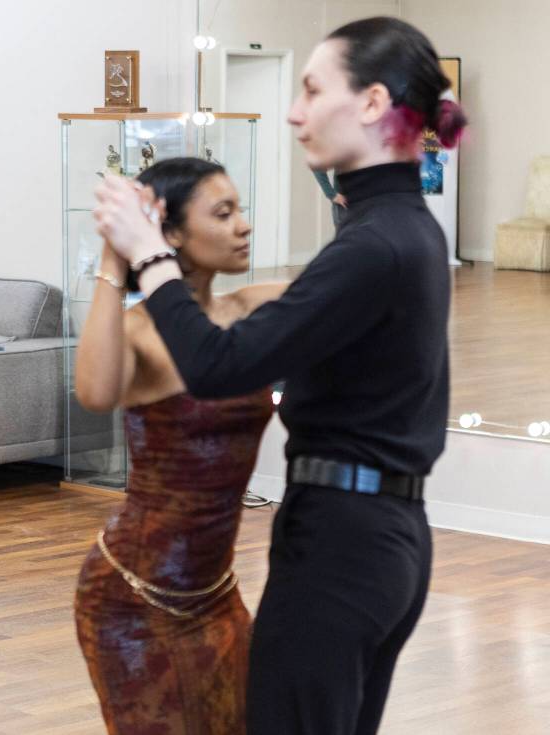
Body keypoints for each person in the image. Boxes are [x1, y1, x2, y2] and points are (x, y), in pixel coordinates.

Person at [92, 17, 467, 735]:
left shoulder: (376, 245)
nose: (294, 112)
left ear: (371, 103)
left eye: (311, 88)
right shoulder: (402, 227)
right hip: (380, 537)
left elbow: (216, 365)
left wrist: (148, 256)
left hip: (344, 548)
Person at [73, 157, 288, 734]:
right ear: (167, 233)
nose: (243, 225)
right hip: (131, 600)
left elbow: (353, 293)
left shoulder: (255, 310)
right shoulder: (139, 332)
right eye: (223, 213)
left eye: (241, 210)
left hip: (217, 595)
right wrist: (116, 258)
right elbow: (94, 391)